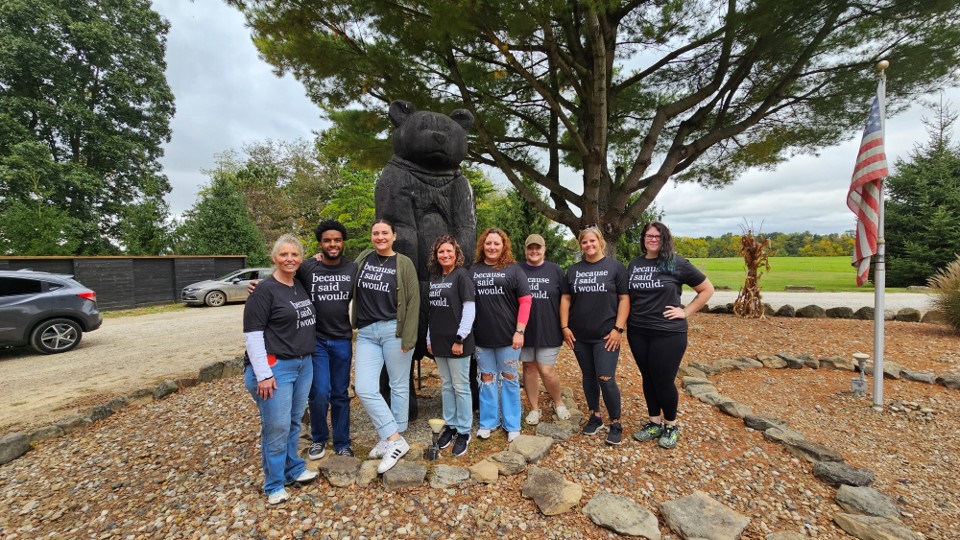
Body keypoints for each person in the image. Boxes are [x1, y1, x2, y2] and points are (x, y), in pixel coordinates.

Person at [242, 234, 318, 505]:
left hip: (303, 364)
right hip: (276, 368)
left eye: (294, 255)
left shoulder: (298, 285)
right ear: (274, 258)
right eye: (284, 255)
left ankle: (293, 468)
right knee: (276, 426)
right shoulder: (264, 291)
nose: (290, 259)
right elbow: (252, 335)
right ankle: (274, 483)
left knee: (294, 420)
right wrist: (263, 374)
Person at [626, 222, 714, 449]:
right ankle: (654, 421)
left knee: (663, 380)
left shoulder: (677, 262)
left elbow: (707, 289)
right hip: (638, 330)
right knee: (647, 377)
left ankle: (671, 425)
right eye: (648, 235)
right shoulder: (634, 264)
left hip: (668, 333)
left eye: (657, 236)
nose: (652, 239)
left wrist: (685, 312)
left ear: (665, 238)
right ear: (643, 238)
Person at [352, 219, 420, 473]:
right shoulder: (363, 258)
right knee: (364, 387)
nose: (380, 237)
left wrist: (409, 336)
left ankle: (395, 436)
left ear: (394, 235)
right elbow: (343, 277)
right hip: (368, 332)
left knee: (398, 384)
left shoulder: (403, 263)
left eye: (385, 233)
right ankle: (394, 437)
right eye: (376, 233)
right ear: (371, 236)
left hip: (395, 330)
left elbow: (413, 302)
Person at [560, 226, 629, 445]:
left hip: (606, 335)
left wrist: (618, 329)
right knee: (589, 376)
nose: (589, 245)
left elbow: (624, 299)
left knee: (605, 377)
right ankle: (595, 416)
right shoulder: (573, 270)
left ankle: (615, 422)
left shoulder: (615, 268)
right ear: (580, 245)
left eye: (592, 241)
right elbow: (566, 300)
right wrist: (564, 327)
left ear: (600, 242)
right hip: (579, 335)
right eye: (584, 242)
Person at [300, 220, 357, 459]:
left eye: (337, 240)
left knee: (340, 393)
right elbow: (283, 279)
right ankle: (319, 438)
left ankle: (342, 441)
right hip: (317, 341)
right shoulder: (307, 268)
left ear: (343, 242)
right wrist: (258, 288)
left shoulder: (353, 268)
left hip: (342, 339)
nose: (332, 244)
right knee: (320, 392)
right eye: (327, 240)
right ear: (320, 243)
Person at [470, 228, 531, 443]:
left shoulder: (513, 270)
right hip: (482, 337)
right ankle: (488, 422)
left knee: (510, 378)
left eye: (497, 243)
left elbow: (525, 301)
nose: (492, 247)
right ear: (482, 246)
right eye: (489, 243)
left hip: (509, 337)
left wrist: (520, 331)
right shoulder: (474, 270)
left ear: (504, 245)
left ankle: (512, 424)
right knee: (486, 379)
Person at [425, 235, 476, 457]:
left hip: (457, 342)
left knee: (461, 386)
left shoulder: (462, 276)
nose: (445, 255)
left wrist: (460, 338)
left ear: (456, 254)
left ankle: (464, 431)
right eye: (441, 252)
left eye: (449, 251)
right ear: (436, 255)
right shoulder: (435, 278)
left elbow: (469, 309)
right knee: (446, 385)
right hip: (438, 341)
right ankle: (451, 425)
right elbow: (433, 311)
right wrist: (429, 338)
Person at [519, 234, 571, 425]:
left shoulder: (555, 270)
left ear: (544, 249)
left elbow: (565, 300)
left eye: (538, 248)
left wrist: (566, 326)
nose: (534, 251)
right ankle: (534, 408)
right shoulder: (517, 270)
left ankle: (558, 402)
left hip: (549, 328)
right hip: (525, 329)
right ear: (525, 249)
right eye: (530, 248)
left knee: (546, 369)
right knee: (529, 367)